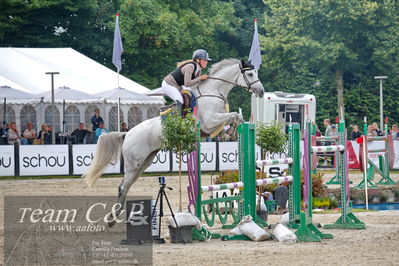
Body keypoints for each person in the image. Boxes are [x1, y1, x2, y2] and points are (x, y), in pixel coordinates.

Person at [162, 49, 211, 115]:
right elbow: (187, 83)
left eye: (206, 60)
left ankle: (187, 115)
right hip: (168, 84)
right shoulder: (190, 67)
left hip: (178, 86)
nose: (206, 62)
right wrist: (200, 78)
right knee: (179, 99)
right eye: (204, 60)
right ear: (197, 60)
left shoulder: (198, 69)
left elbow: (195, 83)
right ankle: (177, 120)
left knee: (192, 97)